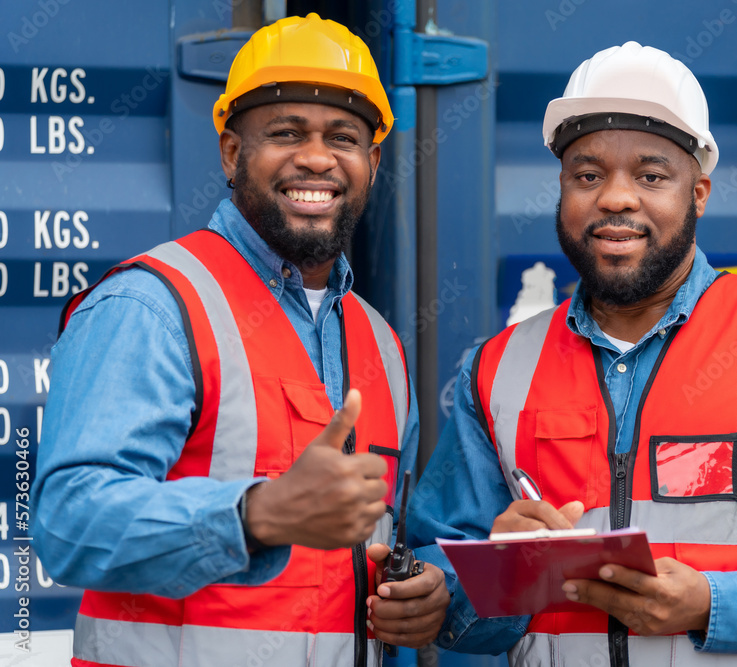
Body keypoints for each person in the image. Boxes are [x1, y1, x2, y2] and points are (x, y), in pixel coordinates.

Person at [408, 42, 737, 665]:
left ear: (699, 193)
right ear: (562, 189)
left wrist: (717, 603)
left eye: (651, 176)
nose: (616, 198)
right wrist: (496, 574)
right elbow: (441, 586)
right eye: (588, 175)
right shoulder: (497, 368)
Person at [34, 14, 449, 667]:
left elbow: (383, 549)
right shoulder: (153, 304)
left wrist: (424, 592)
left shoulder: (382, 345)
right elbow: (67, 523)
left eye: (343, 136)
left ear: (371, 162)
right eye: (286, 132)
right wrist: (257, 512)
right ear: (231, 153)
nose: (316, 157)